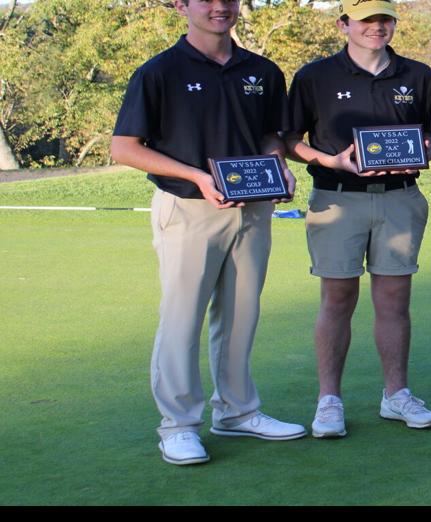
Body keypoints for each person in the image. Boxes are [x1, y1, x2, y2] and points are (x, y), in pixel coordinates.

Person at [110, 0, 305, 465]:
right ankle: (177, 425)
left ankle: (237, 412)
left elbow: (269, 135)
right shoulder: (159, 71)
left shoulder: (262, 70)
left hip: (253, 210)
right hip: (188, 208)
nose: (220, 7)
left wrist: (277, 166)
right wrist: (199, 176)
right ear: (182, 6)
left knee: (241, 315)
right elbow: (125, 147)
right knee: (183, 319)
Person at [286, 0, 431, 438]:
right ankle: (329, 401)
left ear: (394, 23)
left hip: (400, 198)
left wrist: (418, 154)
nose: (377, 28)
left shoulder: (418, 75)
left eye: (384, 19)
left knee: (395, 301)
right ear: (344, 24)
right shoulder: (314, 76)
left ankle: (396, 395)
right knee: (337, 299)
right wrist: (331, 161)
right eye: (366, 20)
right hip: (337, 199)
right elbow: (289, 141)